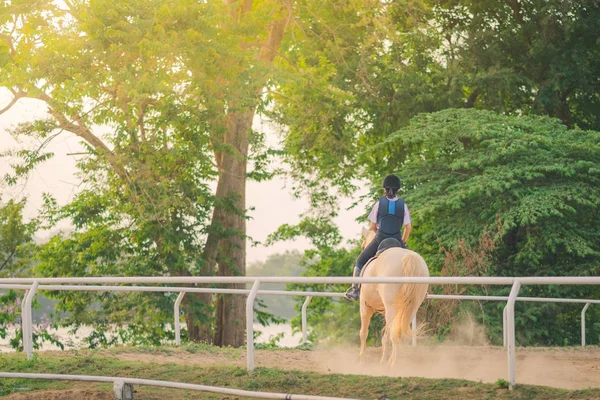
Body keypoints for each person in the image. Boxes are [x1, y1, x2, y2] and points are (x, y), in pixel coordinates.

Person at [343, 174, 412, 302]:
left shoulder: (379, 203)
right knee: (412, 262)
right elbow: (408, 228)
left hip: (380, 238)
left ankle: (355, 290)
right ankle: (421, 290)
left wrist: (378, 233)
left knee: (360, 261)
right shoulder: (403, 205)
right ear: (398, 189)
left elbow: (373, 226)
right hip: (397, 239)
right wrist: (403, 241)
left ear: (384, 189)